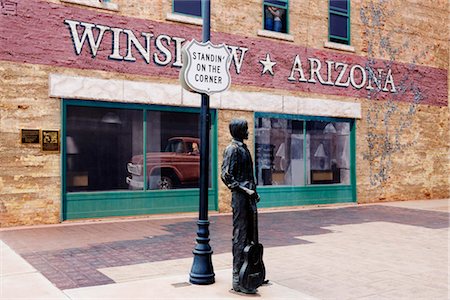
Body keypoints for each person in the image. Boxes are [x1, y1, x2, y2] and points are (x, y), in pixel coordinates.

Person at [221, 118, 260, 294]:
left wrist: (254, 191)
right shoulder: (232, 149)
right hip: (241, 197)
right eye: (245, 128)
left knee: (252, 234)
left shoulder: (244, 148)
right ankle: (237, 278)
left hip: (250, 196)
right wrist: (246, 191)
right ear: (237, 130)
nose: (248, 131)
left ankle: (251, 271)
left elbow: (249, 175)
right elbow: (226, 176)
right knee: (240, 235)